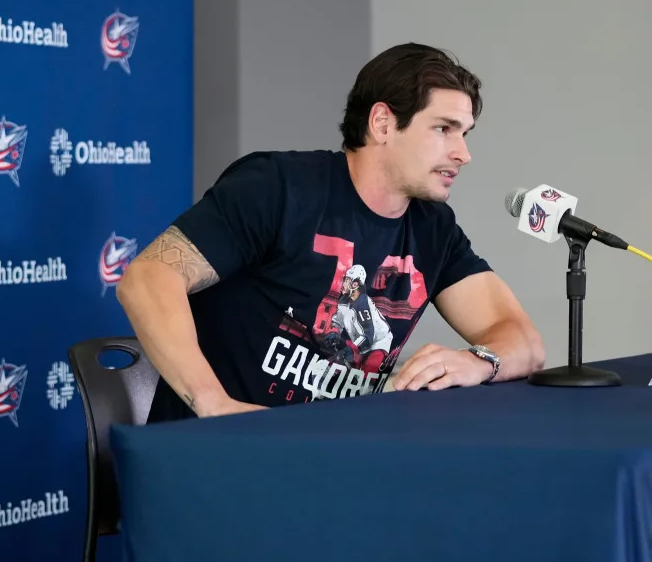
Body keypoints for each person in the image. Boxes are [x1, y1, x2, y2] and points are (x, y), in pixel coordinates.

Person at [116, 42, 546, 423]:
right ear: (381, 123)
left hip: (334, 461)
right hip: (224, 458)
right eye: (443, 129)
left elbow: (522, 340)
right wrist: (214, 404)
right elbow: (147, 279)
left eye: (465, 133)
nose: (463, 154)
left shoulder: (432, 228)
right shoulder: (278, 188)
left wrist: (479, 361)